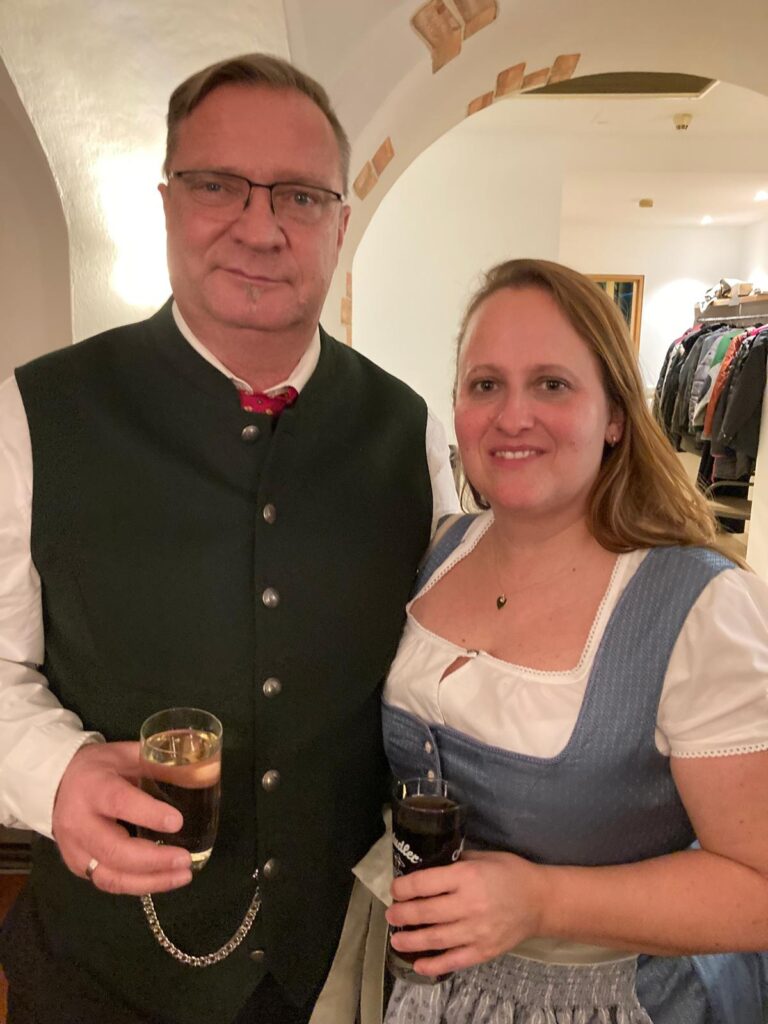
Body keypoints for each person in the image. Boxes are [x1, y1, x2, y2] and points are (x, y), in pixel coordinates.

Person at [0, 53, 458, 1024]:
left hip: (333, 968)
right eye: (217, 185)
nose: (259, 226)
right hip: (99, 975)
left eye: (299, 195)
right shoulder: (33, 415)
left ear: (339, 223)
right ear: (168, 202)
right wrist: (55, 772)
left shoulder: (410, 430)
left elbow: (446, 670)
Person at [378, 258, 768, 1023]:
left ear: (615, 415)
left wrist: (543, 900)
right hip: (426, 992)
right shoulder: (441, 550)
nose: (512, 416)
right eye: (485, 384)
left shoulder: (698, 607)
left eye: (552, 384)